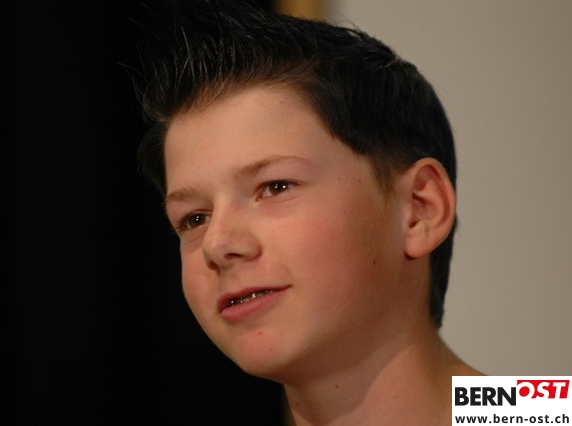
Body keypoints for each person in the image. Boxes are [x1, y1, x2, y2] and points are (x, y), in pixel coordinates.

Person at [134, 0, 483, 424]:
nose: (218, 244)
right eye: (194, 219)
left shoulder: (539, 412)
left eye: (275, 187)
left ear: (419, 210)